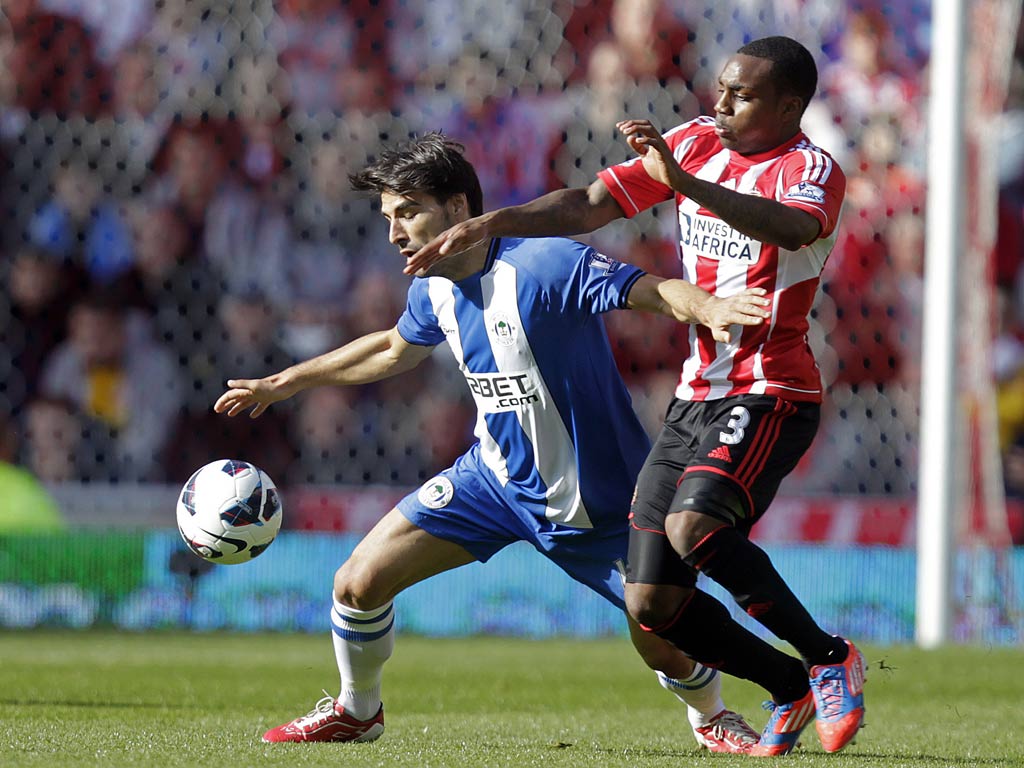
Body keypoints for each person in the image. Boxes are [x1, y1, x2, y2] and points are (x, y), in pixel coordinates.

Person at [215, 133, 772, 752]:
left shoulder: (545, 264)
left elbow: (651, 289)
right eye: (388, 218)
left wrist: (708, 305)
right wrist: (287, 380)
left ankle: (713, 714)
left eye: (409, 213)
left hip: (601, 504)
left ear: (458, 209)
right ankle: (357, 709)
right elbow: (395, 349)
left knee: (659, 629)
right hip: (493, 483)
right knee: (356, 583)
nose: (396, 232)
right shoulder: (431, 286)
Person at [406, 36, 865, 757]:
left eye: (740, 96)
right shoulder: (692, 144)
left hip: (772, 390)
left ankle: (830, 657)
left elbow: (792, 226)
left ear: (787, 106)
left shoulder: (810, 170)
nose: (719, 104)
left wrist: (683, 182)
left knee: (696, 529)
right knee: (650, 605)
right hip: (695, 398)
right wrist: (494, 224)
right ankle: (788, 684)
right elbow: (591, 204)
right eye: (719, 89)